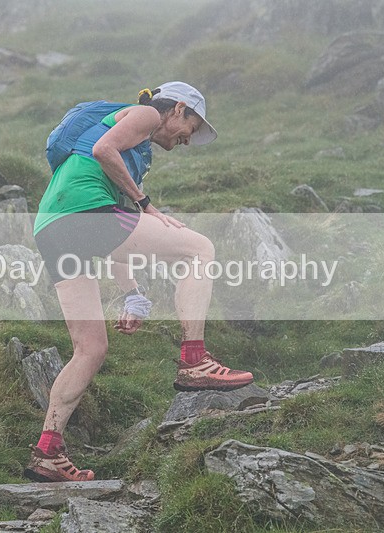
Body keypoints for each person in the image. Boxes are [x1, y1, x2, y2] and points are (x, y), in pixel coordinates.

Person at [24, 82, 254, 483]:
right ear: (178, 109)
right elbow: (103, 151)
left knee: (90, 349)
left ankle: (48, 452)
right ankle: (194, 360)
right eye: (192, 127)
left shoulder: (132, 155)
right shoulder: (146, 114)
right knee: (199, 250)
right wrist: (146, 204)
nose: (188, 139)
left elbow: (114, 238)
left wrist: (132, 294)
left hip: (52, 226)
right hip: (83, 210)